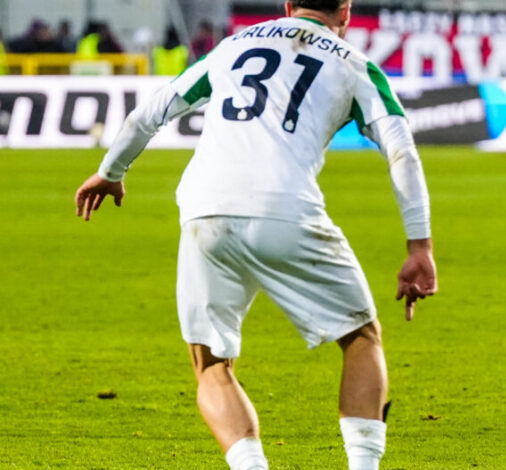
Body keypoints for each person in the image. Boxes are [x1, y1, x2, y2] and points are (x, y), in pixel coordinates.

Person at [74, 1, 437, 469]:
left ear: (288, 5)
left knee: (210, 364)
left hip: (205, 208)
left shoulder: (232, 46)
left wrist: (111, 171)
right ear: (345, 12)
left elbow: (151, 112)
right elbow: (402, 152)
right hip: (285, 208)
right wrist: (419, 246)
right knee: (360, 336)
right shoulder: (356, 65)